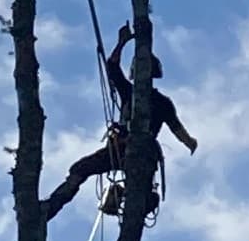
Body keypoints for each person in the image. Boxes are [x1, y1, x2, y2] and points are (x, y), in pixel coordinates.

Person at [44, 21, 198, 220]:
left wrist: (190, 142)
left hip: (140, 150)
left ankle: (124, 197)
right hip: (123, 148)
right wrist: (122, 42)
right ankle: (56, 204)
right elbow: (112, 67)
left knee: (136, 189)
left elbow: (177, 129)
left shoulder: (152, 100)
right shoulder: (141, 96)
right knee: (80, 169)